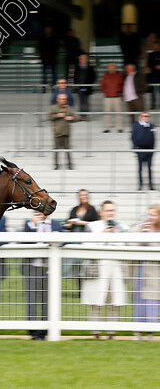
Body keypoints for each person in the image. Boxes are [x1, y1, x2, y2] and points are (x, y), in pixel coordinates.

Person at [81, 200, 128, 340]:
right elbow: (85, 246)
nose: (110, 213)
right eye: (108, 211)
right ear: (101, 213)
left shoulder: (122, 227)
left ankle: (112, 332)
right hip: (98, 268)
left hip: (116, 268)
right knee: (96, 301)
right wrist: (102, 235)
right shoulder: (92, 226)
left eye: (113, 210)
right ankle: (95, 331)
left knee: (114, 301)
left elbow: (126, 248)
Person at [23, 211, 62, 340]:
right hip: (33, 268)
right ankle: (33, 330)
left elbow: (64, 241)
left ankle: (44, 331)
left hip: (50, 269)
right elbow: (23, 243)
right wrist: (33, 225)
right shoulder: (29, 225)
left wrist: (54, 242)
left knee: (47, 301)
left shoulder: (56, 225)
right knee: (31, 300)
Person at [135, 204, 160, 340]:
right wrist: (141, 232)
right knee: (139, 303)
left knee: (151, 302)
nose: (150, 217)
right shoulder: (142, 228)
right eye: (149, 214)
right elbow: (132, 246)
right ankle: (138, 332)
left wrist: (149, 235)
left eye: (154, 215)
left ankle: (150, 333)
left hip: (155, 275)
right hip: (140, 274)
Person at [48, 93, 76, 170]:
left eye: (64, 99)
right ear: (57, 99)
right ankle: (56, 164)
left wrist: (72, 118)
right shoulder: (53, 108)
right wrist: (57, 115)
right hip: (57, 132)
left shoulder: (69, 108)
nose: (63, 100)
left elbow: (76, 118)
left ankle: (70, 164)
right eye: (61, 99)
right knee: (56, 150)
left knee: (68, 150)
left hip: (66, 132)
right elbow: (49, 117)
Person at [132, 112, 156, 190]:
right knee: (140, 168)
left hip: (149, 150)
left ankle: (150, 185)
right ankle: (140, 185)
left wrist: (153, 148)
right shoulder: (136, 125)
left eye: (148, 116)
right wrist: (136, 147)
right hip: (140, 149)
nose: (147, 118)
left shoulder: (151, 126)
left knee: (149, 168)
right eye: (145, 116)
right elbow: (133, 137)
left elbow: (153, 138)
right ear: (141, 117)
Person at [101, 62, 125, 133]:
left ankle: (120, 127)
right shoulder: (105, 75)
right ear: (108, 67)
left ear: (115, 67)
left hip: (116, 96)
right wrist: (105, 91)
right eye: (110, 66)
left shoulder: (119, 75)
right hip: (107, 96)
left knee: (119, 113)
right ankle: (107, 128)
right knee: (106, 113)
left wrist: (119, 91)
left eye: (113, 66)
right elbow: (102, 85)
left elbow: (122, 84)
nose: (111, 67)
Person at [147, 41, 160, 110]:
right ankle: (153, 105)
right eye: (155, 46)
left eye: (158, 46)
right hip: (154, 75)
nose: (156, 47)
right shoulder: (151, 55)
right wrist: (155, 66)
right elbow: (148, 65)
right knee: (153, 92)